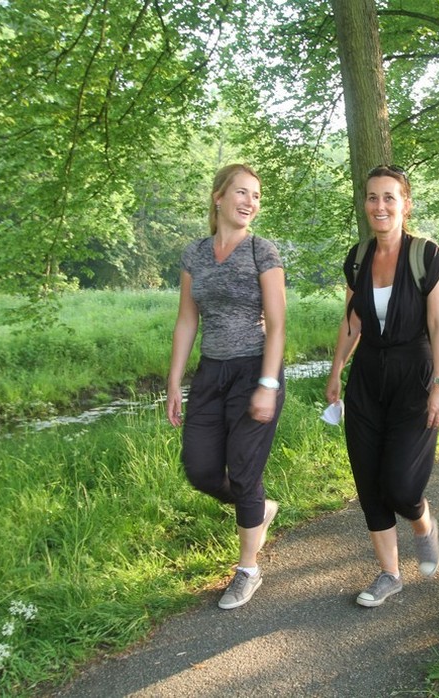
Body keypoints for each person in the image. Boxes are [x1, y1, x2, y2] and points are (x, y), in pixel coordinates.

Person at [325, 165, 439, 608]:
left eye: (389, 197)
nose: (379, 206)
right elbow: (352, 321)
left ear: (405, 204)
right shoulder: (358, 257)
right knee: (368, 479)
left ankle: (423, 523)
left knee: (400, 485)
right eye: (372, 197)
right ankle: (389, 574)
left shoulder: (426, 254)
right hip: (367, 379)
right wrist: (336, 369)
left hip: (414, 377)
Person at [166, 163, 286, 610]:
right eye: (241, 192)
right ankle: (260, 508)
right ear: (218, 197)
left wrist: (267, 384)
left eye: (256, 195)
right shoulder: (195, 254)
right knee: (199, 468)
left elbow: (277, 325)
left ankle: (248, 569)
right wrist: (175, 381)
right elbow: (187, 320)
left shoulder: (261, 251)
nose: (249, 202)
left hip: (255, 369)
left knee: (244, 470)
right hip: (211, 372)